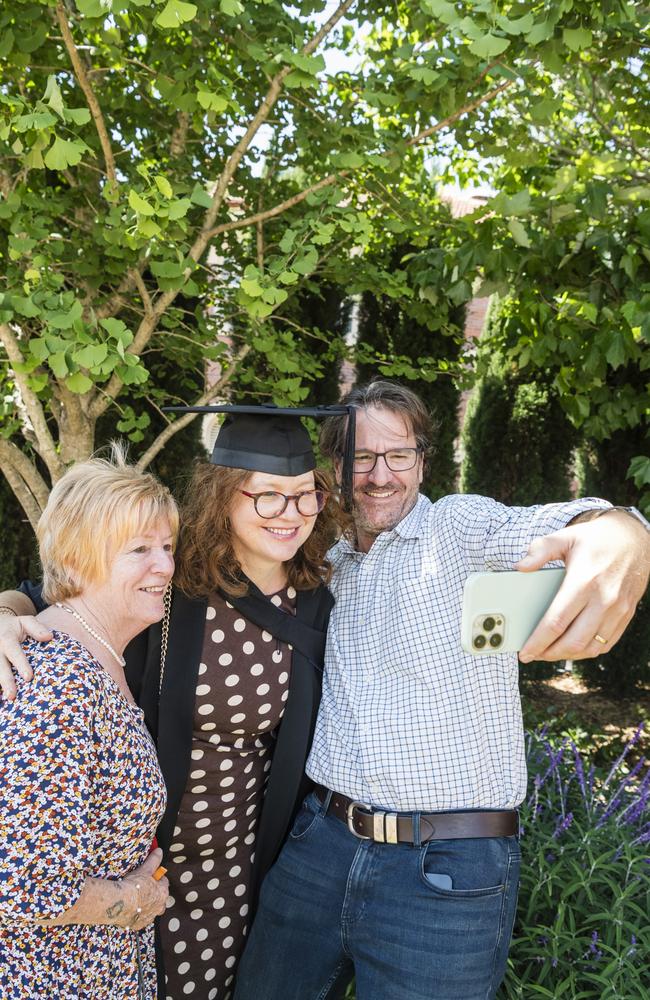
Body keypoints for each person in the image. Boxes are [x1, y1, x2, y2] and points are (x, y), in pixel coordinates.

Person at [233, 380, 650, 1000]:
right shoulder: (326, 560)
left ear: (422, 461)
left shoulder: (458, 530)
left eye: (397, 455)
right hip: (317, 846)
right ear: (336, 468)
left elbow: (564, 525)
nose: (379, 475)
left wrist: (623, 533)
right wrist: (30, 600)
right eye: (360, 458)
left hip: (446, 872)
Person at [0, 405, 351, 1000]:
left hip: (236, 864)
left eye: (304, 494)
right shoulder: (176, 584)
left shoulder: (320, 599)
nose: (289, 512)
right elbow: (58, 593)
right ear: (224, 497)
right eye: (267, 495)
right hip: (132, 858)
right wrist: (4, 616)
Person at [0, 449, 177, 999]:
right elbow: (23, 888)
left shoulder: (99, 659)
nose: (166, 566)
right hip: (48, 977)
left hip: (95, 969)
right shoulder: (59, 683)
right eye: (140, 550)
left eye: (167, 547)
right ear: (75, 562)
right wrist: (134, 899)